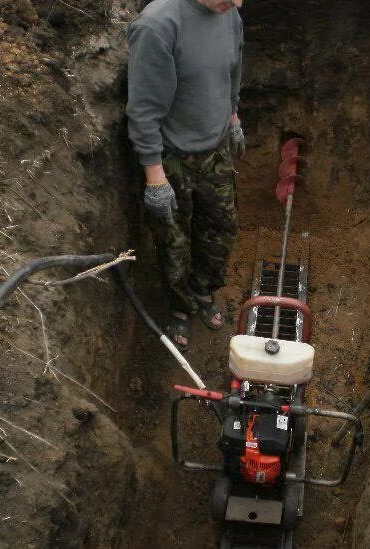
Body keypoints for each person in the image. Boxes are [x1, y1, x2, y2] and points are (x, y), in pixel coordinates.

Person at [126, 0, 245, 351]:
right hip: (172, 156)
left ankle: (203, 292)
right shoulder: (157, 27)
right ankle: (180, 308)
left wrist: (234, 117)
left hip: (217, 147)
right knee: (174, 244)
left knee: (220, 229)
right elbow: (143, 110)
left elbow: (231, 70)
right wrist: (155, 176)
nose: (237, 3)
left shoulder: (229, 13)